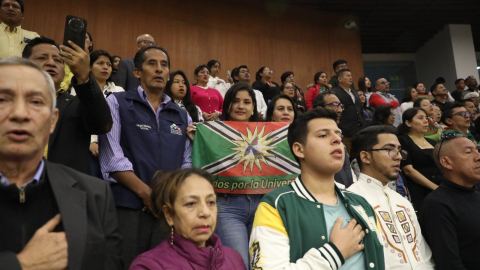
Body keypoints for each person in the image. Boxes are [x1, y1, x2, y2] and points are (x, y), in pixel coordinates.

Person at [0, 57, 123, 270]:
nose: (20, 114)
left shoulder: (95, 195)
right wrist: (21, 264)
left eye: (36, 102)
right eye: (2, 100)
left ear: (53, 120)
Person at [249, 109, 385, 270]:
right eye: (323, 135)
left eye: (338, 135)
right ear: (299, 149)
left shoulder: (360, 203)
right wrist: (334, 253)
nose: (336, 140)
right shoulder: (277, 205)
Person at [98, 45, 192, 268]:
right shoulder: (116, 102)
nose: (159, 70)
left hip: (167, 210)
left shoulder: (182, 114)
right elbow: (112, 158)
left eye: (164, 65)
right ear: (137, 72)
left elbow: (187, 163)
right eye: (152, 64)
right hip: (128, 206)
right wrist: (147, 194)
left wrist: (166, 199)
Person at [22, 36, 113, 175]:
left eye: (58, 60)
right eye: (42, 58)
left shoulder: (78, 104)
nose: (51, 63)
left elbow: (102, 125)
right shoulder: (7, 103)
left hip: (63, 189)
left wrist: (84, 76)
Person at [348, 125, 434, 269]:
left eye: (399, 150)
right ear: (365, 157)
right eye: (389, 149)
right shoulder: (353, 200)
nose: (398, 156)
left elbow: (424, 254)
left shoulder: (402, 202)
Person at [130, 168, 246, 270]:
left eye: (211, 202)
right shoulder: (148, 265)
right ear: (169, 215)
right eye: (191, 204)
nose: (205, 212)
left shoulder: (233, 258)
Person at [214, 83, 259, 267]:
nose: (241, 106)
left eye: (247, 102)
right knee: (239, 265)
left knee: (262, 264)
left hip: (261, 205)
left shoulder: (268, 135)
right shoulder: (212, 132)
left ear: (253, 108)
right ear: (227, 106)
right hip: (227, 207)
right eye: (235, 101)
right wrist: (198, 138)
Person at [419, 133, 480, 269]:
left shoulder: (476, 195)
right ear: (446, 162)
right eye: (468, 152)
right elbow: (449, 263)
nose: (478, 157)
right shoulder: (437, 204)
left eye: (477, 150)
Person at [397, 108, 443, 211]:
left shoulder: (432, 142)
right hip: (419, 189)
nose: (425, 121)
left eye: (426, 118)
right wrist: (435, 188)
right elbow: (408, 170)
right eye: (420, 118)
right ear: (408, 123)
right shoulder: (403, 141)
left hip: (441, 185)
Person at [313, 91, 356, 188]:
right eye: (334, 105)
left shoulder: (339, 135)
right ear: (320, 108)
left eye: (341, 105)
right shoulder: (312, 138)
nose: (340, 110)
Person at [331, 68, 365, 154]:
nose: (351, 78)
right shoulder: (334, 93)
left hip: (358, 131)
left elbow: (360, 109)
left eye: (351, 76)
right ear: (340, 79)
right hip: (345, 132)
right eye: (348, 76)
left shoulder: (354, 92)